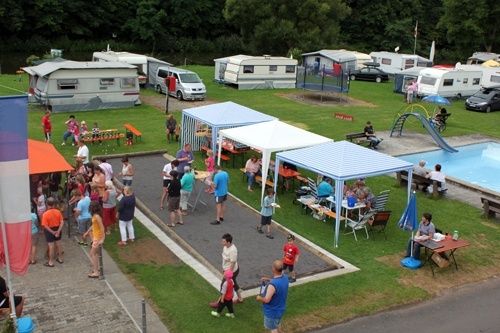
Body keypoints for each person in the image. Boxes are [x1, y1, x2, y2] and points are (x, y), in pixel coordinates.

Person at [256, 260, 289, 333]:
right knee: (277, 323)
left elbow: (267, 300)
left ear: (273, 269)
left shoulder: (272, 285)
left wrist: (259, 298)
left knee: (273, 329)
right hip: (280, 308)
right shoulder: (285, 277)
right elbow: (279, 280)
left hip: (272, 312)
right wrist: (268, 279)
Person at [41, 197, 64, 267]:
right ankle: (60, 258)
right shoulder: (58, 212)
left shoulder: (45, 214)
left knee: (51, 246)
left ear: (47, 204)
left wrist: (52, 232)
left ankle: (51, 262)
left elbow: (45, 225)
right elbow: (62, 222)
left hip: (49, 231)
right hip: (58, 229)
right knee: (59, 244)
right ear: (54, 204)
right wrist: (58, 231)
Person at [84, 201, 105, 278]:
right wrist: (87, 232)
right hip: (96, 236)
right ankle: (96, 268)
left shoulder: (97, 216)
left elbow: (102, 227)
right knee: (94, 254)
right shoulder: (95, 216)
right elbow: (94, 225)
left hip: (97, 238)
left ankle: (96, 271)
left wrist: (102, 238)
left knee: (93, 254)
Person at [220, 233, 243, 303]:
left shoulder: (233, 250)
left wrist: (228, 274)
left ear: (228, 242)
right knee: (234, 283)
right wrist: (223, 269)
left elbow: (232, 263)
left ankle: (220, 302)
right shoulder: (225, 247)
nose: (221, 242)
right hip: (227, 270)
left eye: (223, 241)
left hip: (232, 271)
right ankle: (240, 298)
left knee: (223, 285)